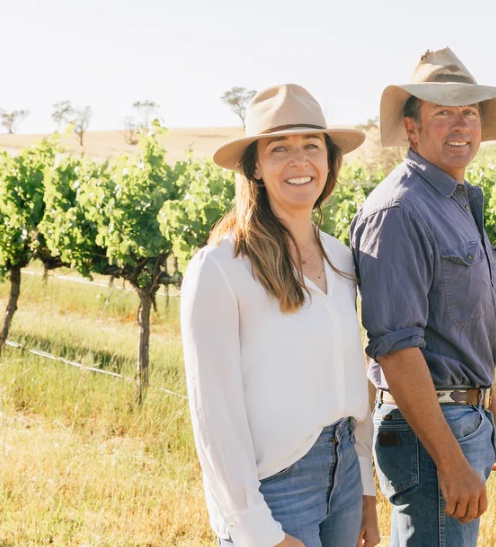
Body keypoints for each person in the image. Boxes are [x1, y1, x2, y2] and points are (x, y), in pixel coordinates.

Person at [181, 83, 380, 547]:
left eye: (312, 146)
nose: (299, 161)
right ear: (255, 166)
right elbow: (214, 417)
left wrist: (366, 490)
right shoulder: (220, 268)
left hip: (344, 474)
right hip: (276, 488)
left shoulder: (341, 259)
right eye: (280, 148)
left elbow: (353, 379)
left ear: (329, 161)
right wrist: (256, 531)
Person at [349, 48, 496, 546]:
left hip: (460, 419)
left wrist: (491, 411)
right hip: (431, 434)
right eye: (442, 112)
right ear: (412, 128)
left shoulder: (455, 201)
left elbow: (457, 331)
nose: (460, 124)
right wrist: (449, 459)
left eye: (469, 112)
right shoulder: (400, 212)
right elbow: (397, 349)